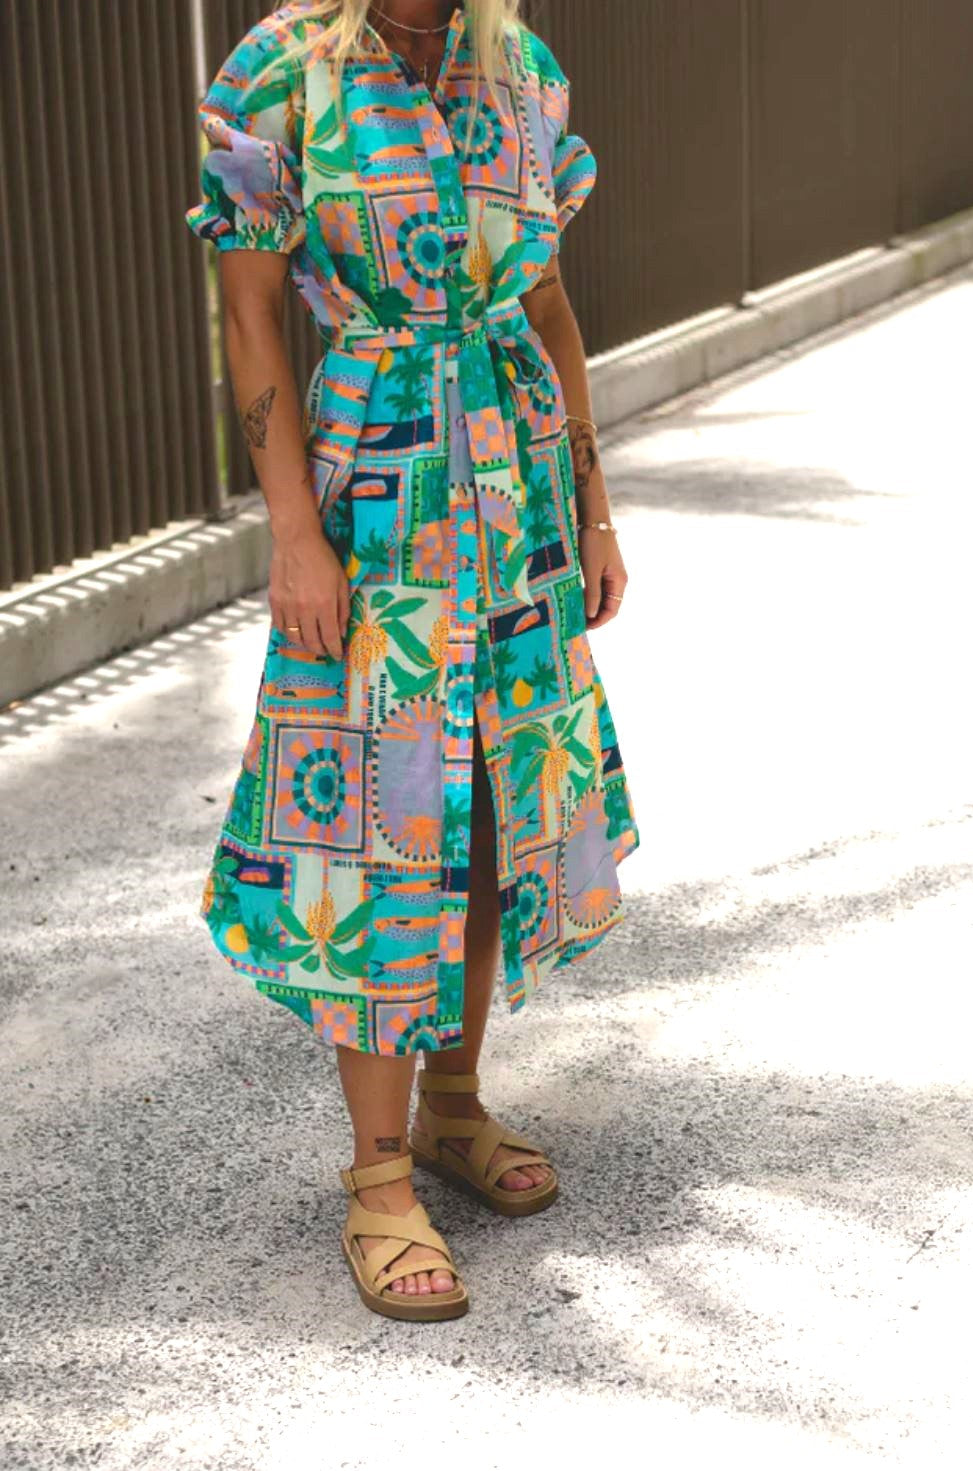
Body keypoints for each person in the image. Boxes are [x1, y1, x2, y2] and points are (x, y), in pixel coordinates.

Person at [185, 0, 639, 1322]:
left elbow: (546, 301)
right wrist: (294, 536)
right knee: (379, 825)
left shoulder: (522, 70)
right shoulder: (279, 73)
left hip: (516, 489)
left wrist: (595, 508)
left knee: (493, 803)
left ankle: (452, 1106)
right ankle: (378, 1177)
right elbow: (251, 320)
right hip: (374, 498)